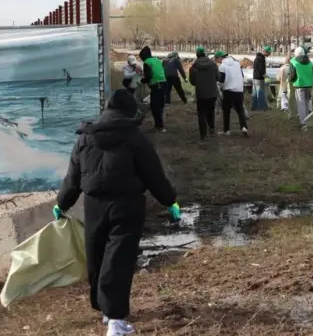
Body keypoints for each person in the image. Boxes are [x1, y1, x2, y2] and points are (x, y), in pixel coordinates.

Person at [53, 88, 180, 336]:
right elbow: (154, 176)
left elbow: (73, 179)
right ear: (129, 112)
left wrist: (63, 203)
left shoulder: (85, 139)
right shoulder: (135, 139)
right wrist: (170, 201)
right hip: (127, 205)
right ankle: (115, 320)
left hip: (93, 205)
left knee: (97, 254)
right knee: (118, 258)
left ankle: (104, 308)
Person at [188, 47, 219, 141]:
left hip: (201, 93)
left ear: (197, 55)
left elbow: (192, 82)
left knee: (201, 113)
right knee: (211, 111)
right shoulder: (213, 64)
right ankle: (212, 128)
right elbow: (218, 77)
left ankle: (203, 134)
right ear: (205, 54)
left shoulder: (194, 67)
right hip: (212, 93)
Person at [216, 51, 249, 137]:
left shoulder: (222, 66)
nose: (217, 61)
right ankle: (244, 127)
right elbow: (241, 76)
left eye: (217, 59)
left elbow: (221, 80)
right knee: (240, 109)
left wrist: (220, 86)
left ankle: (227, 130)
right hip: (239, 90)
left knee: (226, 111)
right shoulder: (237, 64)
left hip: (228, 91)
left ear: (220, 58)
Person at [138, 46, 167, 132]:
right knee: (160, 105)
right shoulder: (157, 60)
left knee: (155, 106)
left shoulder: (147, 62)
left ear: (144, 56)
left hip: (156, 85)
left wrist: (142, 81)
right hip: (164, 83)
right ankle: (159, 125)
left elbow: (149, 76)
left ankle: (160, 126)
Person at [287, 46, 313, 125]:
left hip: (299, 85)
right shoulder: (310, 62)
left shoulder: (293, 62)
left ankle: (303, 122)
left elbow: (292, 75)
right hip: (309, 85)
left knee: (301, 104)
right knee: (307, 103)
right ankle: (308, 120)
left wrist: (289, 79)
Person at [251, 46, 271, 112]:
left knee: (255, 93)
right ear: (265, 51)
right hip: (259, 79)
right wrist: (267, 78)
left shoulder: (257, 57)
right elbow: (261, 70)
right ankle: (261, 108)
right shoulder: (261, 59)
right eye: (269, 52)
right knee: (260, 93)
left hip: (255, 78)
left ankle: (254, 107)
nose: (270, 54)